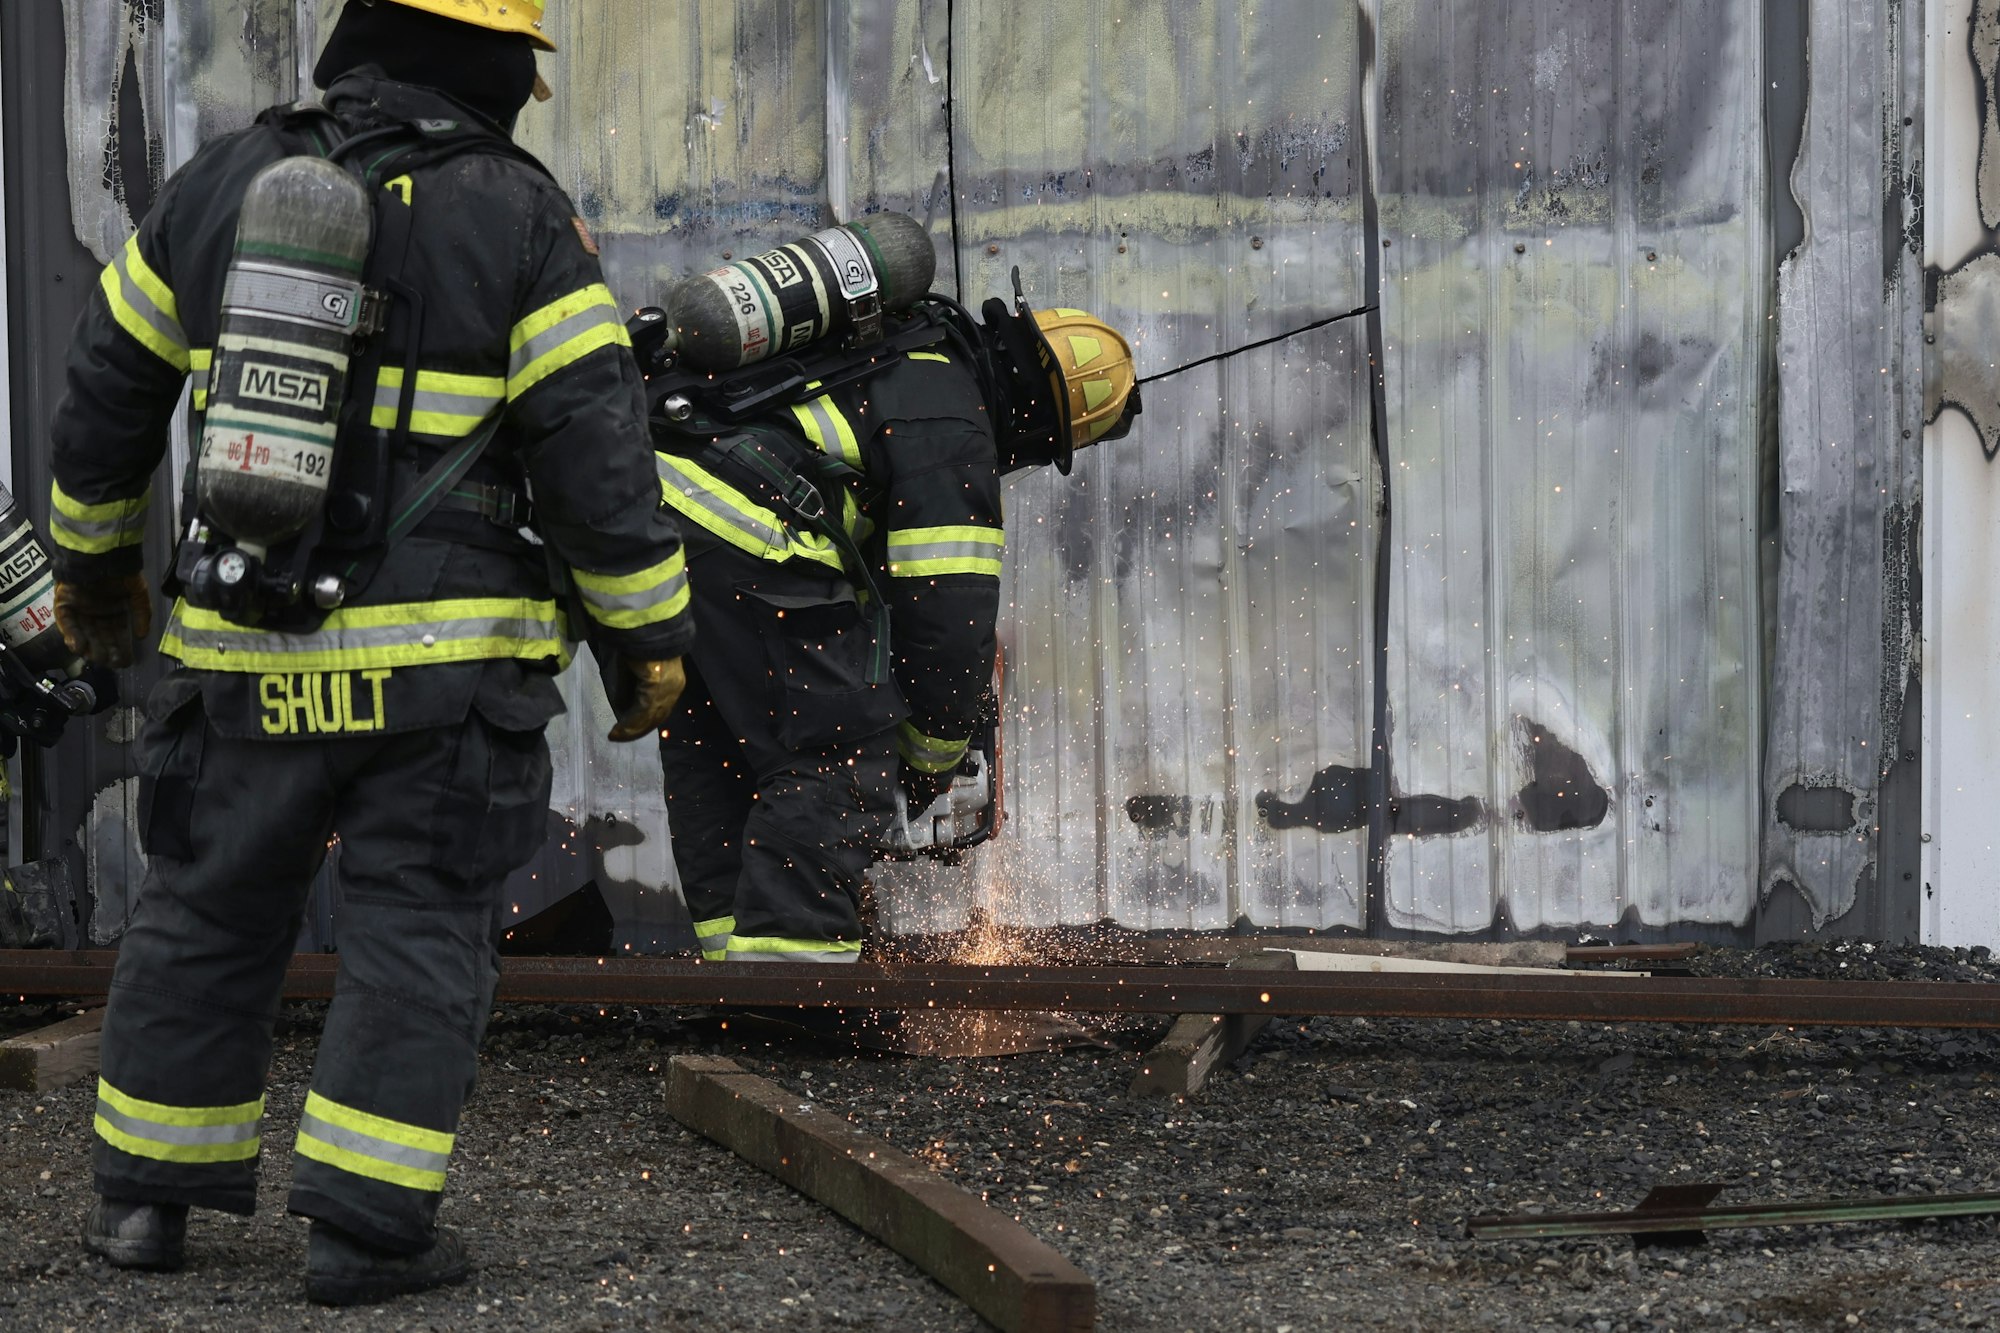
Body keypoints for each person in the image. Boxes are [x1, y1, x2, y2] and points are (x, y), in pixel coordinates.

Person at [47, 0, 692, 1304]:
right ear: (495, 65)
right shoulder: (518, 216)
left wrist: (96, 573)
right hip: (441, 682)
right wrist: (646, 637)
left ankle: (142, 1206)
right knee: (415, 934)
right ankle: (364, 1231)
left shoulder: (225, 181)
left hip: (239, 660)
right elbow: (594, 453)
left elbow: (110, 388)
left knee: (205, 914)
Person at [654, 298, 1137, 966]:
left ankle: (736, 974)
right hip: (739, 522)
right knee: (837, 746)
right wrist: (928, 757)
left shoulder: (904, 355)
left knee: (721, 750)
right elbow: (948, 616)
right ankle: (795, 983)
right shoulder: (953, 422)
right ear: (1041, 420)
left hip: (651, 510)